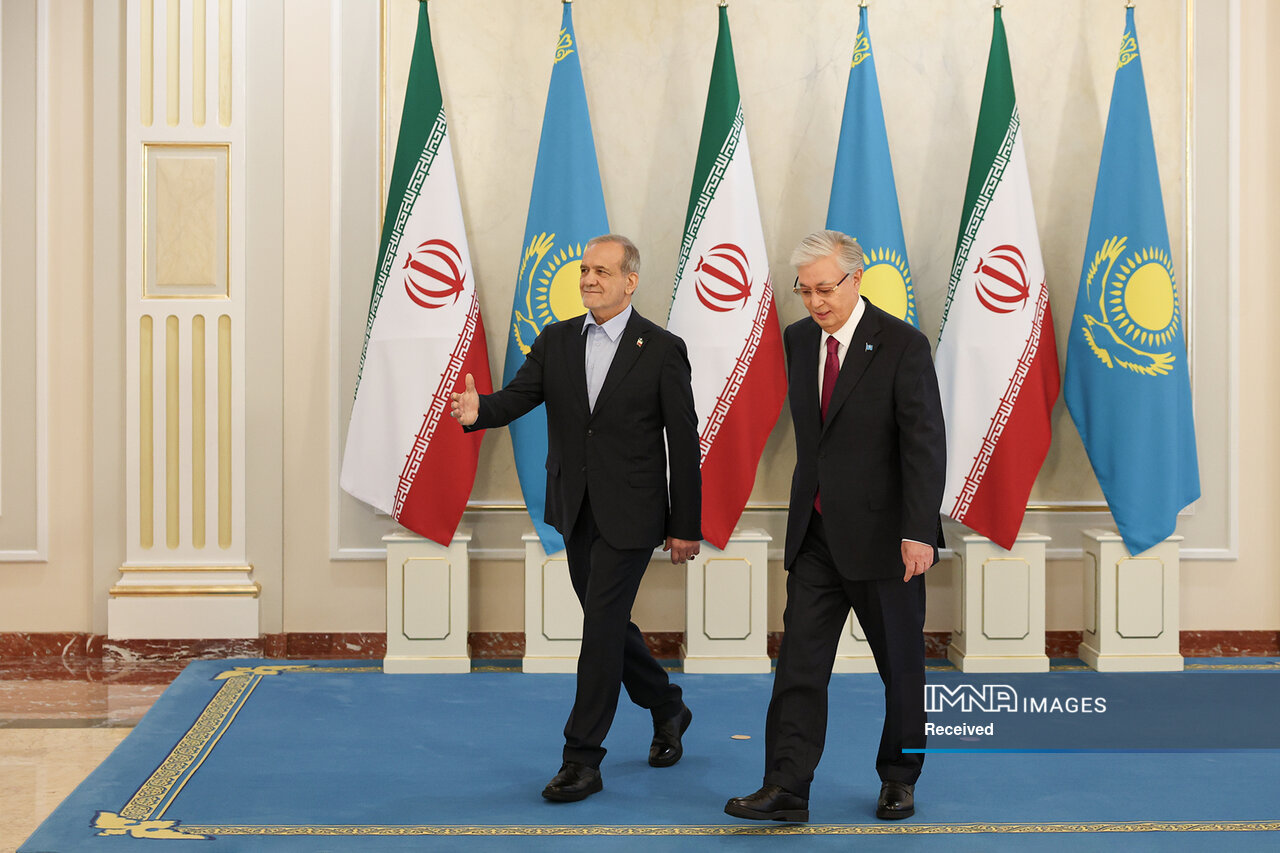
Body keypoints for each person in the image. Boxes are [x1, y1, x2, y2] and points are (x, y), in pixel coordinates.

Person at [450, 233, 701, 803]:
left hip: (633, 513)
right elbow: (518, 397)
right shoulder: (557, 339)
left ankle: (582, 758)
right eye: (584, 270)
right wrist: (479, 410)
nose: (589, 279)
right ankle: (667, 704)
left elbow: (684, 443)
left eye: (602, 272)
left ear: (630, 281)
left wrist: (686, 523)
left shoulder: (662, 349)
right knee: (608, 626)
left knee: (599, 631)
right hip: (574, 508)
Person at [724, 230, 945, 823]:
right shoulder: (799, 341)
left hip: (886, 539)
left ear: (856, 278)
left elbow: (925, 444)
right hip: (816, 534)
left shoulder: (902, 344)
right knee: (798, 666)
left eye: (825, 289)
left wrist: (919, 530)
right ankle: (786, 786)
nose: (815, 302)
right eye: (805, 291)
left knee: (901, 669)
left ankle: (900, 777)